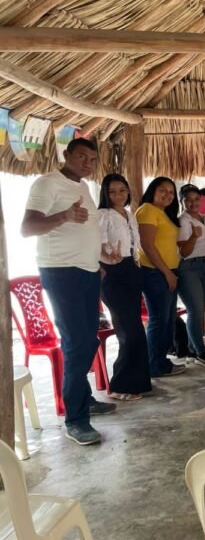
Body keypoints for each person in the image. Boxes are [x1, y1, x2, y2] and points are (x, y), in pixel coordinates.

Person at [22, 138, 116, 446]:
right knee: (78, 342)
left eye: (92, 158)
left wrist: (97, 260)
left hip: (87, 272)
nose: (87, 163)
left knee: (89, 337)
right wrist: (63, 216)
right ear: (67, 155)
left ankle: (83, 398)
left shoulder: (83, 187)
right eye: (81, 156)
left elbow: (83, 230)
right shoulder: (46, 184)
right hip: (61, 273)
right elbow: (28, 228)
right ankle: (75, 419)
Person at [97, 173, 152, 400]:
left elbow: (134, 245)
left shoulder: (129, 215)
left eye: (122, 190)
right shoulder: (103, 215)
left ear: (128, 191)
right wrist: (106, 258)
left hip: (131, 269)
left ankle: (136, 383)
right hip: (111, 272)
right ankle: (120, 386)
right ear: (105, 194)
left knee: (135, 329)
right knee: (128, 331)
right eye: (112, 191)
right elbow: (95, 243)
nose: (118, 195)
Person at [137, 177, 186, 378]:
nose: (167, 194)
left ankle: (161, 361)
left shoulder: (163, 213)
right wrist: (167, 272)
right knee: (159, 320)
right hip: (155, 273)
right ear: (152, 191)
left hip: (167, 272)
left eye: (171, 192)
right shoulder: (147, 209)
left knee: (167, 320)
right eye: (162, 190)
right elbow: (147, 245)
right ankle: (154, 365)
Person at [176, 184, 205, 368]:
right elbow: (184, 251)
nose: (193, 203)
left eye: (196, 199)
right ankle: (201, 351)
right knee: (195, 310)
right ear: (182, 201)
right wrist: (193, 236)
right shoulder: (183, 221)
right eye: (188, 199)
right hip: (188, 267)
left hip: (204, 266)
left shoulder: (204, 218)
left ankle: (192, 348)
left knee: (199, 309)